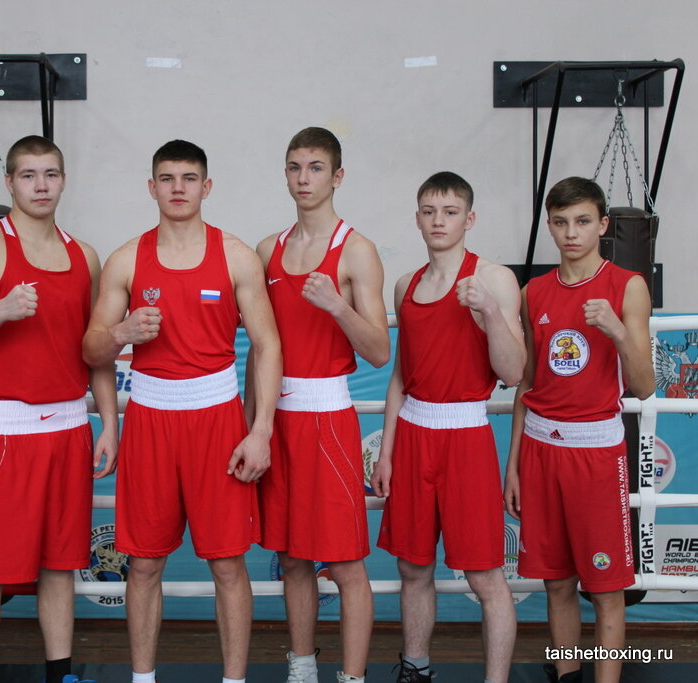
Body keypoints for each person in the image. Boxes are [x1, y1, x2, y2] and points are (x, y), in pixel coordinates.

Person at [83, 139, 282, 683]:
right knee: (145, 563)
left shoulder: (236, 256)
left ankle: (234, 681)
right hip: (150, 420)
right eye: (167, 179)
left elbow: (267, 344)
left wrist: (261, 430)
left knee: (227, 563)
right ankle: (143, 679)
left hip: (217, 420)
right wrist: (122, 332)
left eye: (189, 178)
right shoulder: (127, 259)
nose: (178, 188)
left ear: (206, 187)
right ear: (152, 187)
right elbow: (92, 349)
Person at [0, 135, 118, 683]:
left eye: (51, 174)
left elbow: (95, 350)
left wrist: (109, 422)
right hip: (3, 433)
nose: (41, 186)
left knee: (60, 565)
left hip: (67, 427)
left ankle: (61, 674)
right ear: (10, 182)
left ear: (63, 180)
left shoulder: (85, 255)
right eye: (28, 175)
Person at [371, 172, 523, 683]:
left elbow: (513, 373)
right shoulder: (405, 285)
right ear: (417, 218)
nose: (439, 221)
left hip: (465, 436)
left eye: (450, 212)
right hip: (413, 435)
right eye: (429, 211)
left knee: (485, 575)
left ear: (469, 219)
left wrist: (489, 312)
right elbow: (400, 376)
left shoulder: (494, 279)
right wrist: (386, 452)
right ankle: (415, 669)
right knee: (413, 567)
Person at [251, 127, 389, 683]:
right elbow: (260, 347)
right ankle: (303, 666)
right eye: (294, 167)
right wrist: (254, 425)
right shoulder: (267, 250)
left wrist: (337, 306)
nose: (303, 178)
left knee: (346, 562)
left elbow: (379, 350)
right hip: (277, 419)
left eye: (314, 168)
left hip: (328, 419)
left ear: (337, 176)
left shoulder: (356, 250)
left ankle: (352, 677)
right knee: (291, 557)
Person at [504, 177, 654, 683]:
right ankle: (567, 676)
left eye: (583, 221)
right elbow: (527, 383)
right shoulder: (533, 293)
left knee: (606, 588)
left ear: (603, 225)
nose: (571, 233)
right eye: (561, 222)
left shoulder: (627, 286)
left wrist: (616, 331)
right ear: (549, 226)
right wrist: (513, 465)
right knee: (556, 582)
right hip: (540, 449)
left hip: (595, 452)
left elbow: (644, 386)